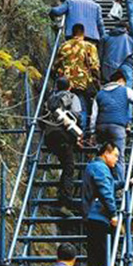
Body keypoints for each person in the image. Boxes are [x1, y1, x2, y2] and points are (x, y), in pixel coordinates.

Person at [90, 71, 133, 183]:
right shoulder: (125, 90)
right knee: (118, 156)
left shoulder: (99, 94)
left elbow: (93, 116)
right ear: (120, 80)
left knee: (103, 155)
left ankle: (100, 181)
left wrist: (92, 132)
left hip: (101, 127)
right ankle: (120, 184)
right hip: (117, 127)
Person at [82, 142, 121, 266]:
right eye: (115, 156)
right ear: (106, 153)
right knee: (102, 252)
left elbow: (107, 186)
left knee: (95, 251)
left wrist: (124, 183)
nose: (117, 159)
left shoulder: (95, 166)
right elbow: (105, 191)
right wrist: (113, 214)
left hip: (92, 214)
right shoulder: (101, 168)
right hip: (98, 215)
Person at [41, 77, 82, 205]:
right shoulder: (72, 97)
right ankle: (65, 201)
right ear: (69, 87)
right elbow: (76, 115)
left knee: (65, 163)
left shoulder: (50, 99)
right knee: (69, 167)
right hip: (64, 135)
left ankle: (62, 195)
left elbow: (42, 118)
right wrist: (78, 136)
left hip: (50, 136)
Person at [55, 23, 100, 133]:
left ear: (72, 33)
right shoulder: (89, 46)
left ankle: (64, 131)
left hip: (65, 83)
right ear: (83, 33)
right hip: (82, 82)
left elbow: (56, 65)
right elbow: (94, 66)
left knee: (63, 107)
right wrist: (97, 80)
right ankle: (81, 133)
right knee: (81, 108)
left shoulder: (64, 46)